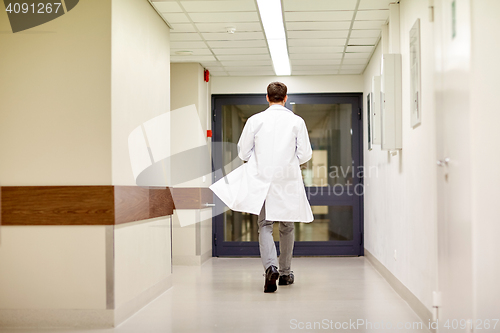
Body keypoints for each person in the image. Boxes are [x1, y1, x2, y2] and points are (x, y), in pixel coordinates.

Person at [209, 81, 313, 293]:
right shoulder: (296, 121)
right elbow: (305, 154)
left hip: (263, 180)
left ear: (267, 98)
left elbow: (243, 153)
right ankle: (285, 273)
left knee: (265, 225)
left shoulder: (255, 120)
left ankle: (270, 267)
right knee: (287, 226)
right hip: (287, 180)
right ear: (285, 98)